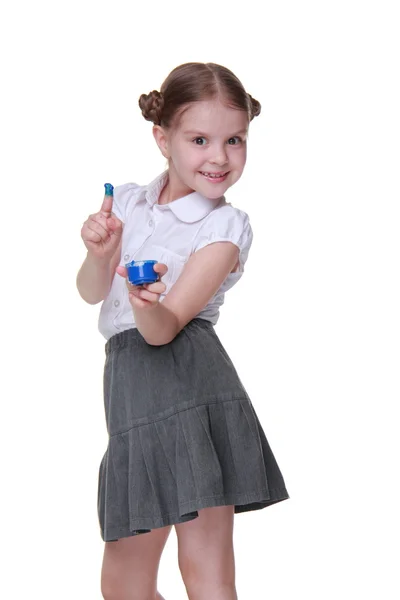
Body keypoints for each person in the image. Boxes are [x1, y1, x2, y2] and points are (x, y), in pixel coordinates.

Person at [77, 62, 289, 600]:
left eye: (234, 140)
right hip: (130, 392)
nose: (219, 157)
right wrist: (99, 254)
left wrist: (145, 301)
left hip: (192, 387)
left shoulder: (225, 226)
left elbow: (164, 326)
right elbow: (89, 291)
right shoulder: (126, 202)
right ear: (162, 139)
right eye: (200, 139)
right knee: (122, 583)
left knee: (206, 571)